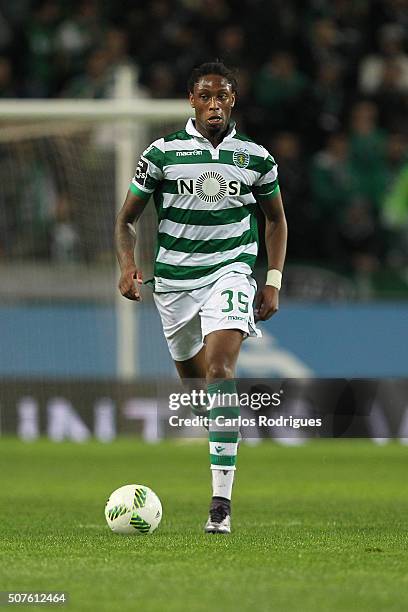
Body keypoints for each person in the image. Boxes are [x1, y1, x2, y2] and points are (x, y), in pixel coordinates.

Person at [115, 61, 287, 534]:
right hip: (174, 284)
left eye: (224, 96)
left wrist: (271, 278)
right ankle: (220, 434)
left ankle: (220, 505)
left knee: (219, 370)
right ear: (191, 100)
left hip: (230, 273)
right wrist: (127, 265)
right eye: (206, 96)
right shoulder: (162, 154)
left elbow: (275, 220)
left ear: (233, 101)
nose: (215, 104)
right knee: (199, 394)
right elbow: (125, 219)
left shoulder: (255, 158)